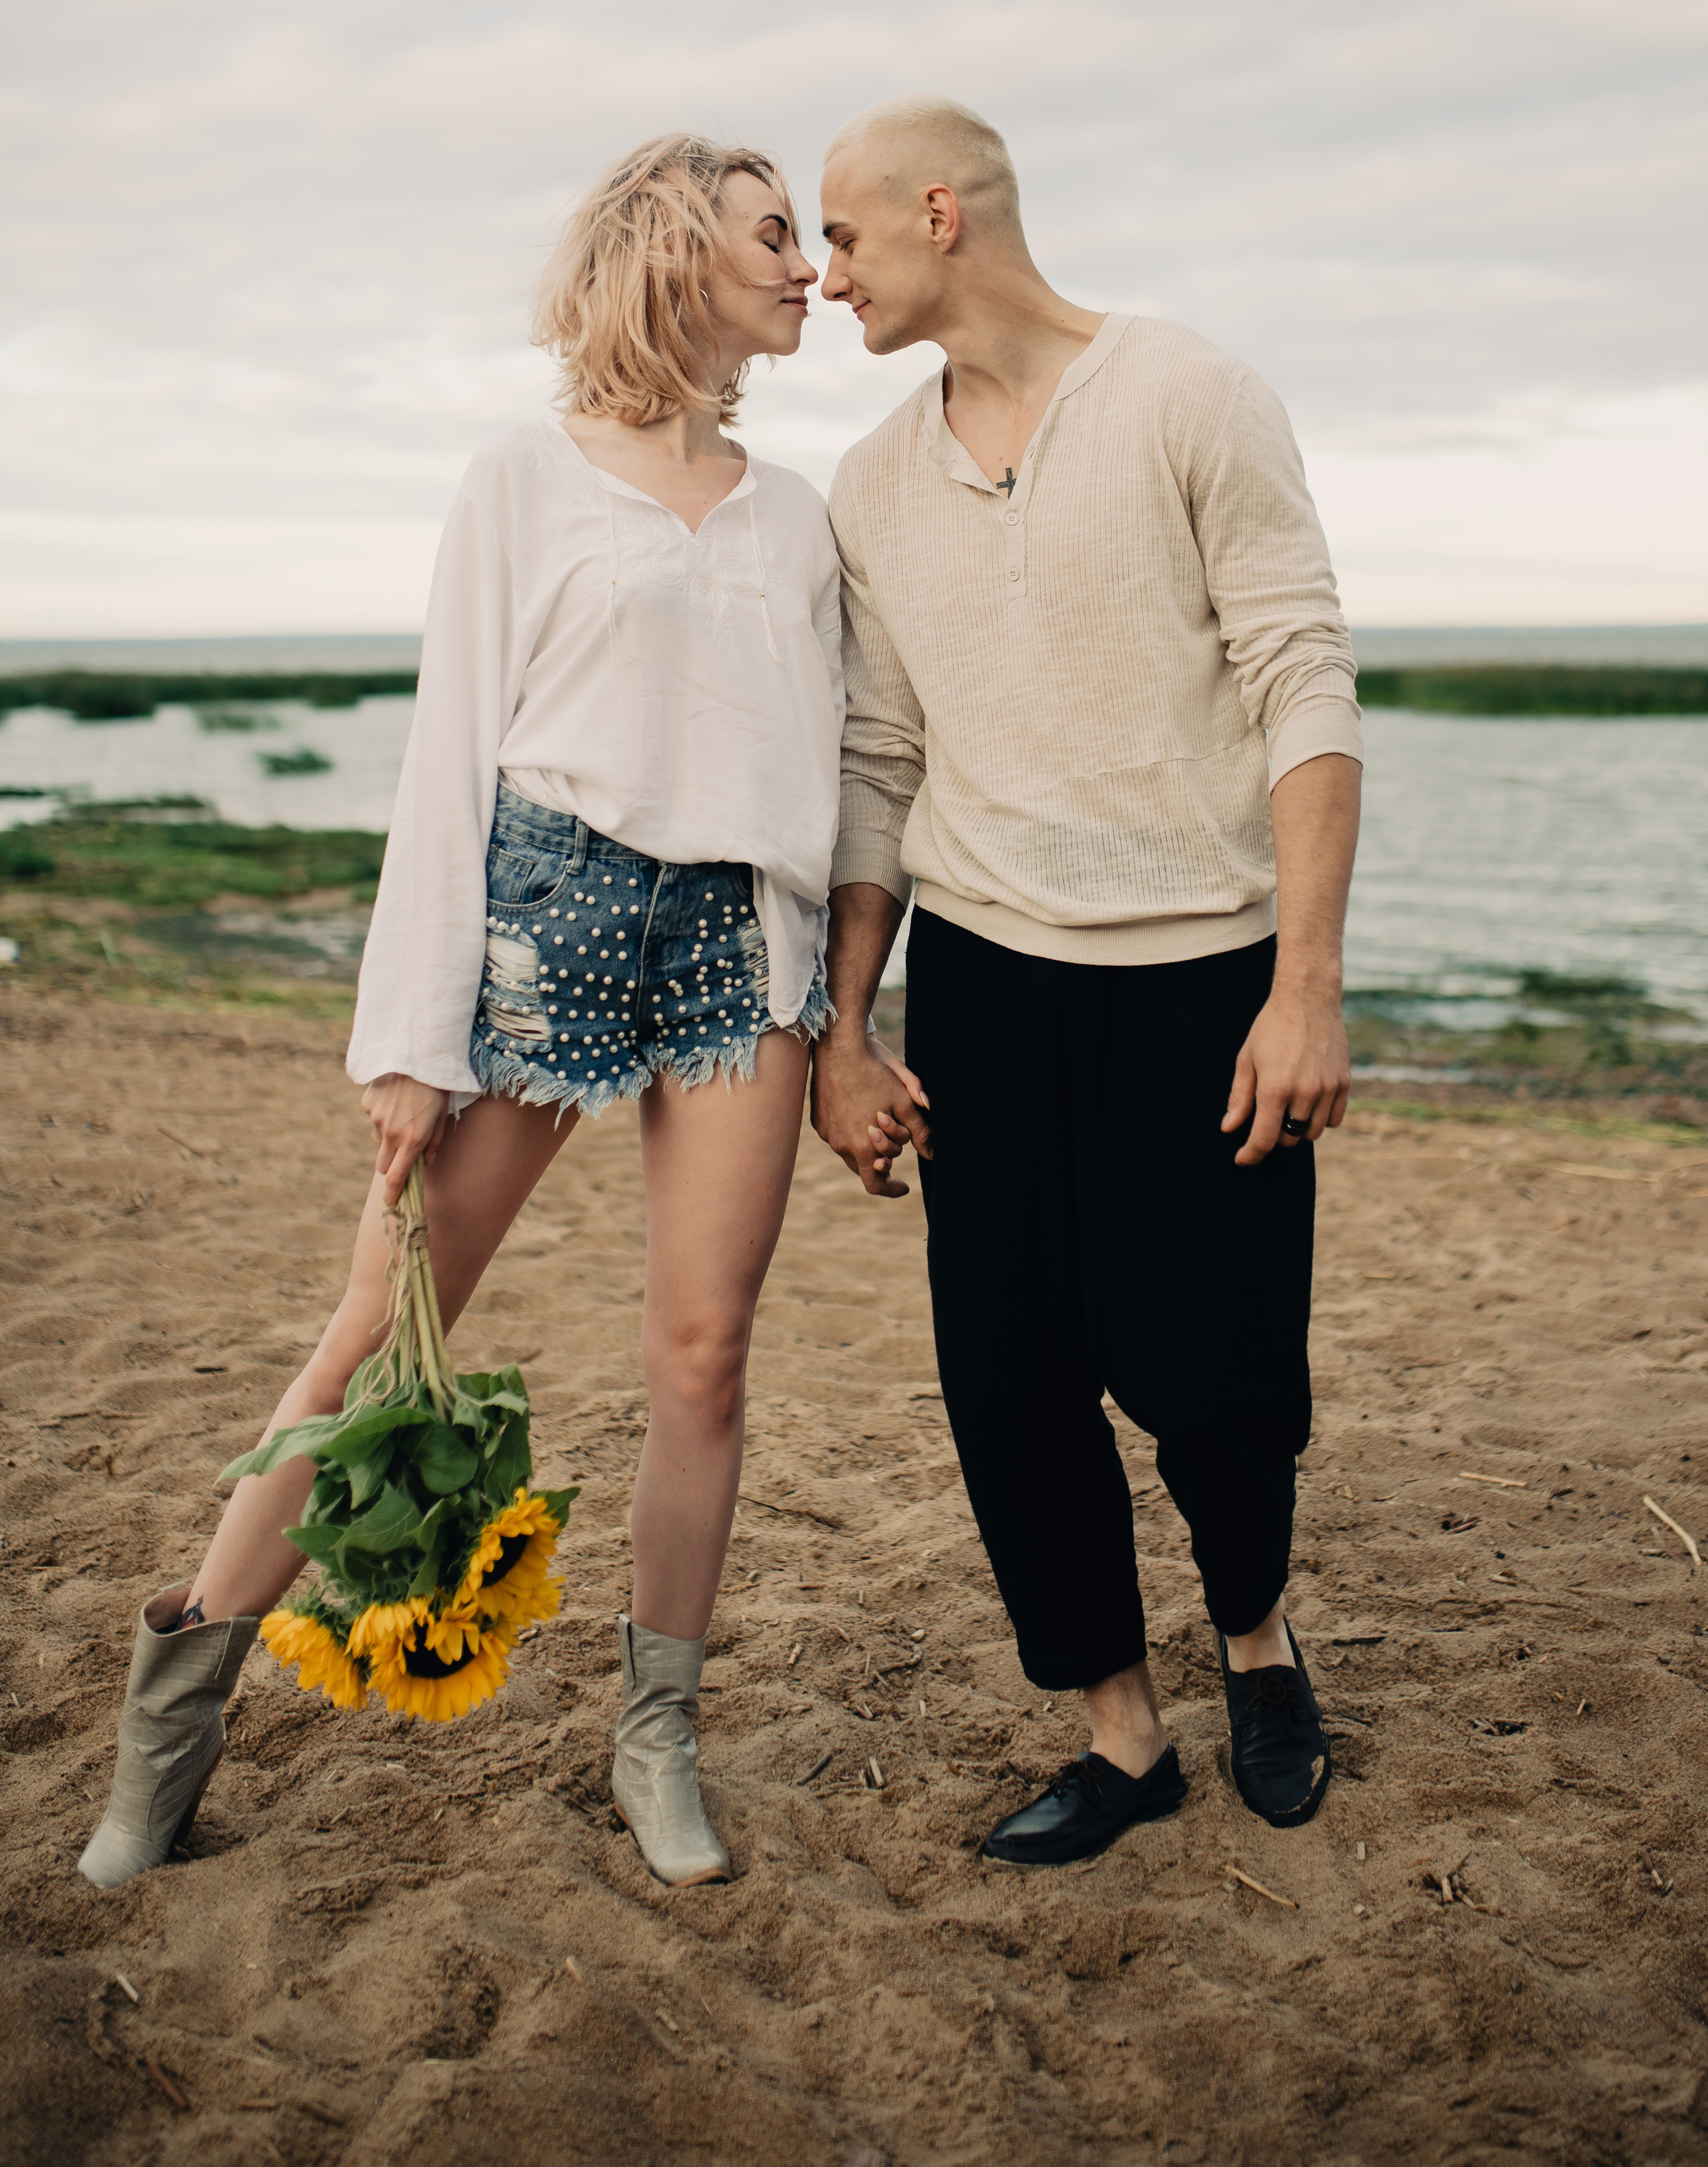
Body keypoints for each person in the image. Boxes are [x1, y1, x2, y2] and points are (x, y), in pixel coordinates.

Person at [79, 134, 841, 1893]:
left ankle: (656, 1741)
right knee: (370, 1331)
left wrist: (844, 1011)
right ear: (673, 253)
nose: (807, 263)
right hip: (540, 920)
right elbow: (447, 762)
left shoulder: (799, 514)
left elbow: (844, 773)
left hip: (740, 945)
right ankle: (168, 1723)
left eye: (809, 233)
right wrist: (408, 1040)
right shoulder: (522, 476)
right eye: (772, 232)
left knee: (702, 1356)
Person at [809, 94, 1362, 1866]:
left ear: (940, 211)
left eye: (844, 238)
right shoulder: (873, 483)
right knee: (1014, 1382)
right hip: (983, 984)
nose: (827, 279)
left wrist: (1309, 982)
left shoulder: (1192, 393)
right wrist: (843, 1027)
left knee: (1218, 1383)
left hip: (1203, 980)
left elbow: (1304, 685)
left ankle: (1257, 1641)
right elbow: (881, 763)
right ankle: (1125, 1742)